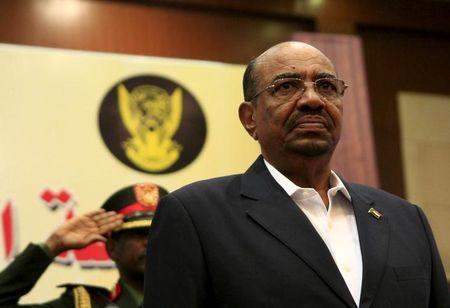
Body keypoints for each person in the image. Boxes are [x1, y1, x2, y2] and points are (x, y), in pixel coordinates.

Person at [143, 42, 449, 308]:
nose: (313, 100)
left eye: (327, 86)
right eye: (286, 86)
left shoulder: (406, 219)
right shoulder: (195, 216)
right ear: (250, 119)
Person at [0, 183, 166, 307]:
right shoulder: (84, 304)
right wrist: (53, 246)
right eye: (139, 234)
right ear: (112, 248)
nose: (150, 242)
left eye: (160, 235)